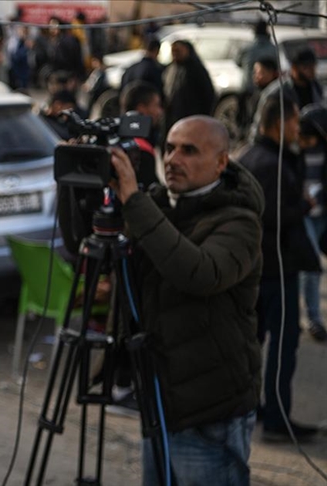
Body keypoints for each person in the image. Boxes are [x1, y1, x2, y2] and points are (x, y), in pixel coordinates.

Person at [108, 115, 263, 484]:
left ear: (221, 162)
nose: (173, 159)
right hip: (160, 399)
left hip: (210, 409)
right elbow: (83, 243)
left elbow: (199, 273)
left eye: (189, 151)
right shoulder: (159, 204)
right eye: (170, 148)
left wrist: (134, 202)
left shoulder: (239, 221)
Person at [238, 95, 320, 443]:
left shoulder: (253, 156)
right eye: (294, 123)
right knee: (282, 346)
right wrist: (303, 205)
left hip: (257, 268)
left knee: (253, 343)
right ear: (279, 124)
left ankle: (252, 408)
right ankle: (276, 417)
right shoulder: (269, 162)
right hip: (275, 268)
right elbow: (272, 215)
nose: (298, 130)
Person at [297, 104, 327, 341]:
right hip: (303, 214)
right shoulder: (294, 154)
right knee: (311, 265)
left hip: (321, 215)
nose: (304, 143)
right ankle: (313, 318)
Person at [251, 47, 325, 140]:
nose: (311, 71)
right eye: (306, 67)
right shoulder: (276, 92)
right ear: (294, 68)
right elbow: (260, 124)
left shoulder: (318, 88)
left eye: (313, 66)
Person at [163, 40, 215, 137]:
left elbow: (208, 94)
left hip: (191, 116)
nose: (175, 54)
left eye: (178, 51)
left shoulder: (196, 70)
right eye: (173, 51)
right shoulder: (171, 68)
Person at [120, 80, 163, 187]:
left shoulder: (118, 143)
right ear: (141, 109)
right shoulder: (141, 150)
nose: (160, 112)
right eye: (156, 105)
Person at [235, 21, 276, 132]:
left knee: (244, 118)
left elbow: (238, 62)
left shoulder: (247, 47)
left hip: (247, 87)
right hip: (267, 88)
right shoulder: (273, 48)